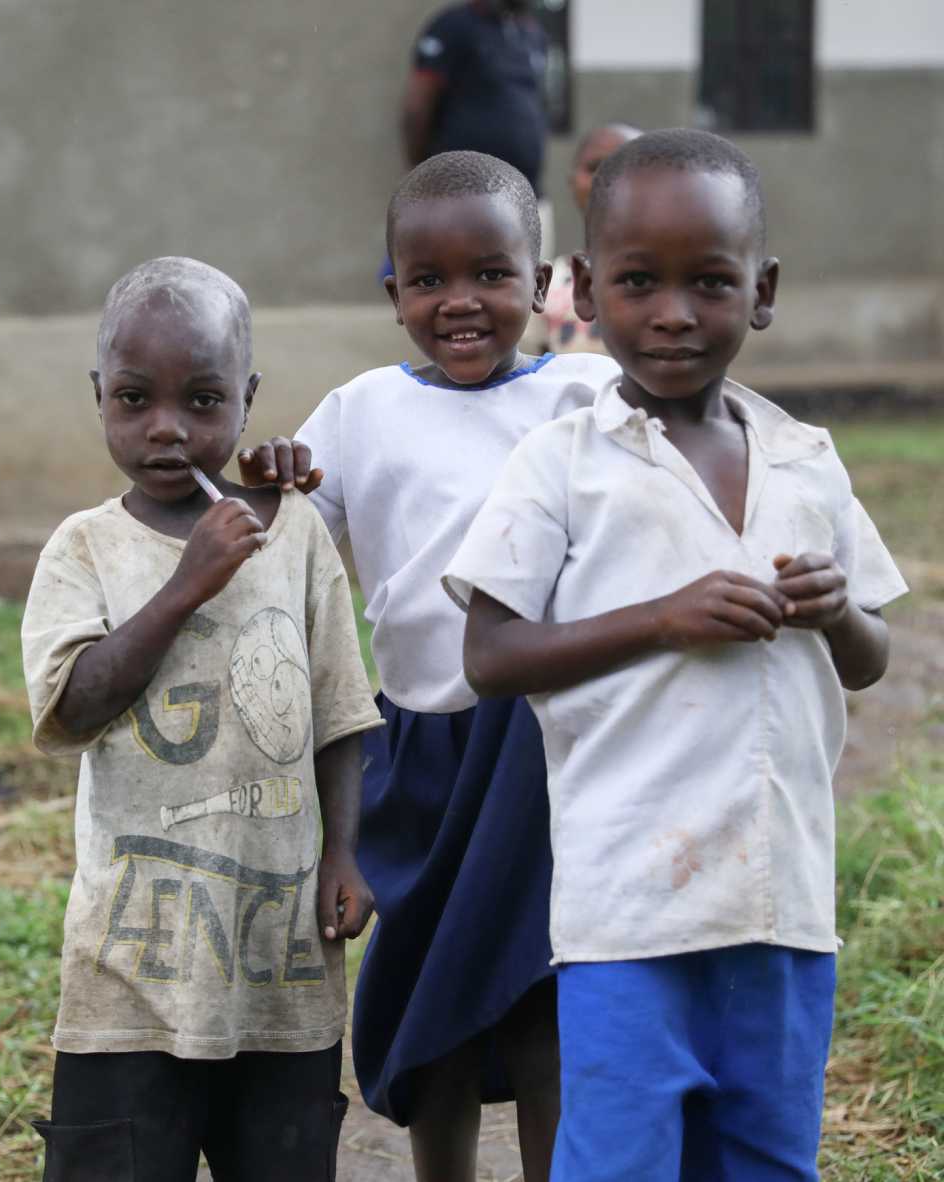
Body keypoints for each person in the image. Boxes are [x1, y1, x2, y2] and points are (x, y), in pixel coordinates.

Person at [444, 129, 908, 1181]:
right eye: (640, 283)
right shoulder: (561, 463)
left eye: (710, 283)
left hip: (781, 904)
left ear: (764, 288)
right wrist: (661, 618)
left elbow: (871, 658)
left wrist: (837, 613)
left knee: (767, 1159)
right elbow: (491, 654)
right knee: (622, 1160)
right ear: (585, 289)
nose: (674, 315)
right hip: (630, 909)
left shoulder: (804, 457)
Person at [238, 152, 620, 1182]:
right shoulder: (362, 411)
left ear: (544, 284)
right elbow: (284, 534)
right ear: (392, 291)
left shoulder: (585, 391)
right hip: (416, 743)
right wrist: (268, 481)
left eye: (493, 274)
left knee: (544, 997)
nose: (463, 303)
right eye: (429, 280)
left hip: (545, 747)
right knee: (427, 999)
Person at [21, 257, 383, 1182]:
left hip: (280, 962)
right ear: (100, 393)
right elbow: (72, 706)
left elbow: (342, 711)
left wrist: (343, 851)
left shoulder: (293, 533)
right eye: (135, 399)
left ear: (250, 400)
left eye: (205, 400)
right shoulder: (85, 548)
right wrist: (186, 588)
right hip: (129, 974)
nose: (168, 429)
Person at [380, 0, 552, 280]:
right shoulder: (454, 26)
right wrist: (424, 183)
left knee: (526, 295)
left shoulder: (532, 33)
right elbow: (417, 110)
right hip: (464, 200)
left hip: (528, 195)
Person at [537, 122, 642, 355]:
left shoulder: (672, 281)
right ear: (572, 180)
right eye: (595, 167)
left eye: (626, 167)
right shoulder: (547, 283)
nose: (607, 177)